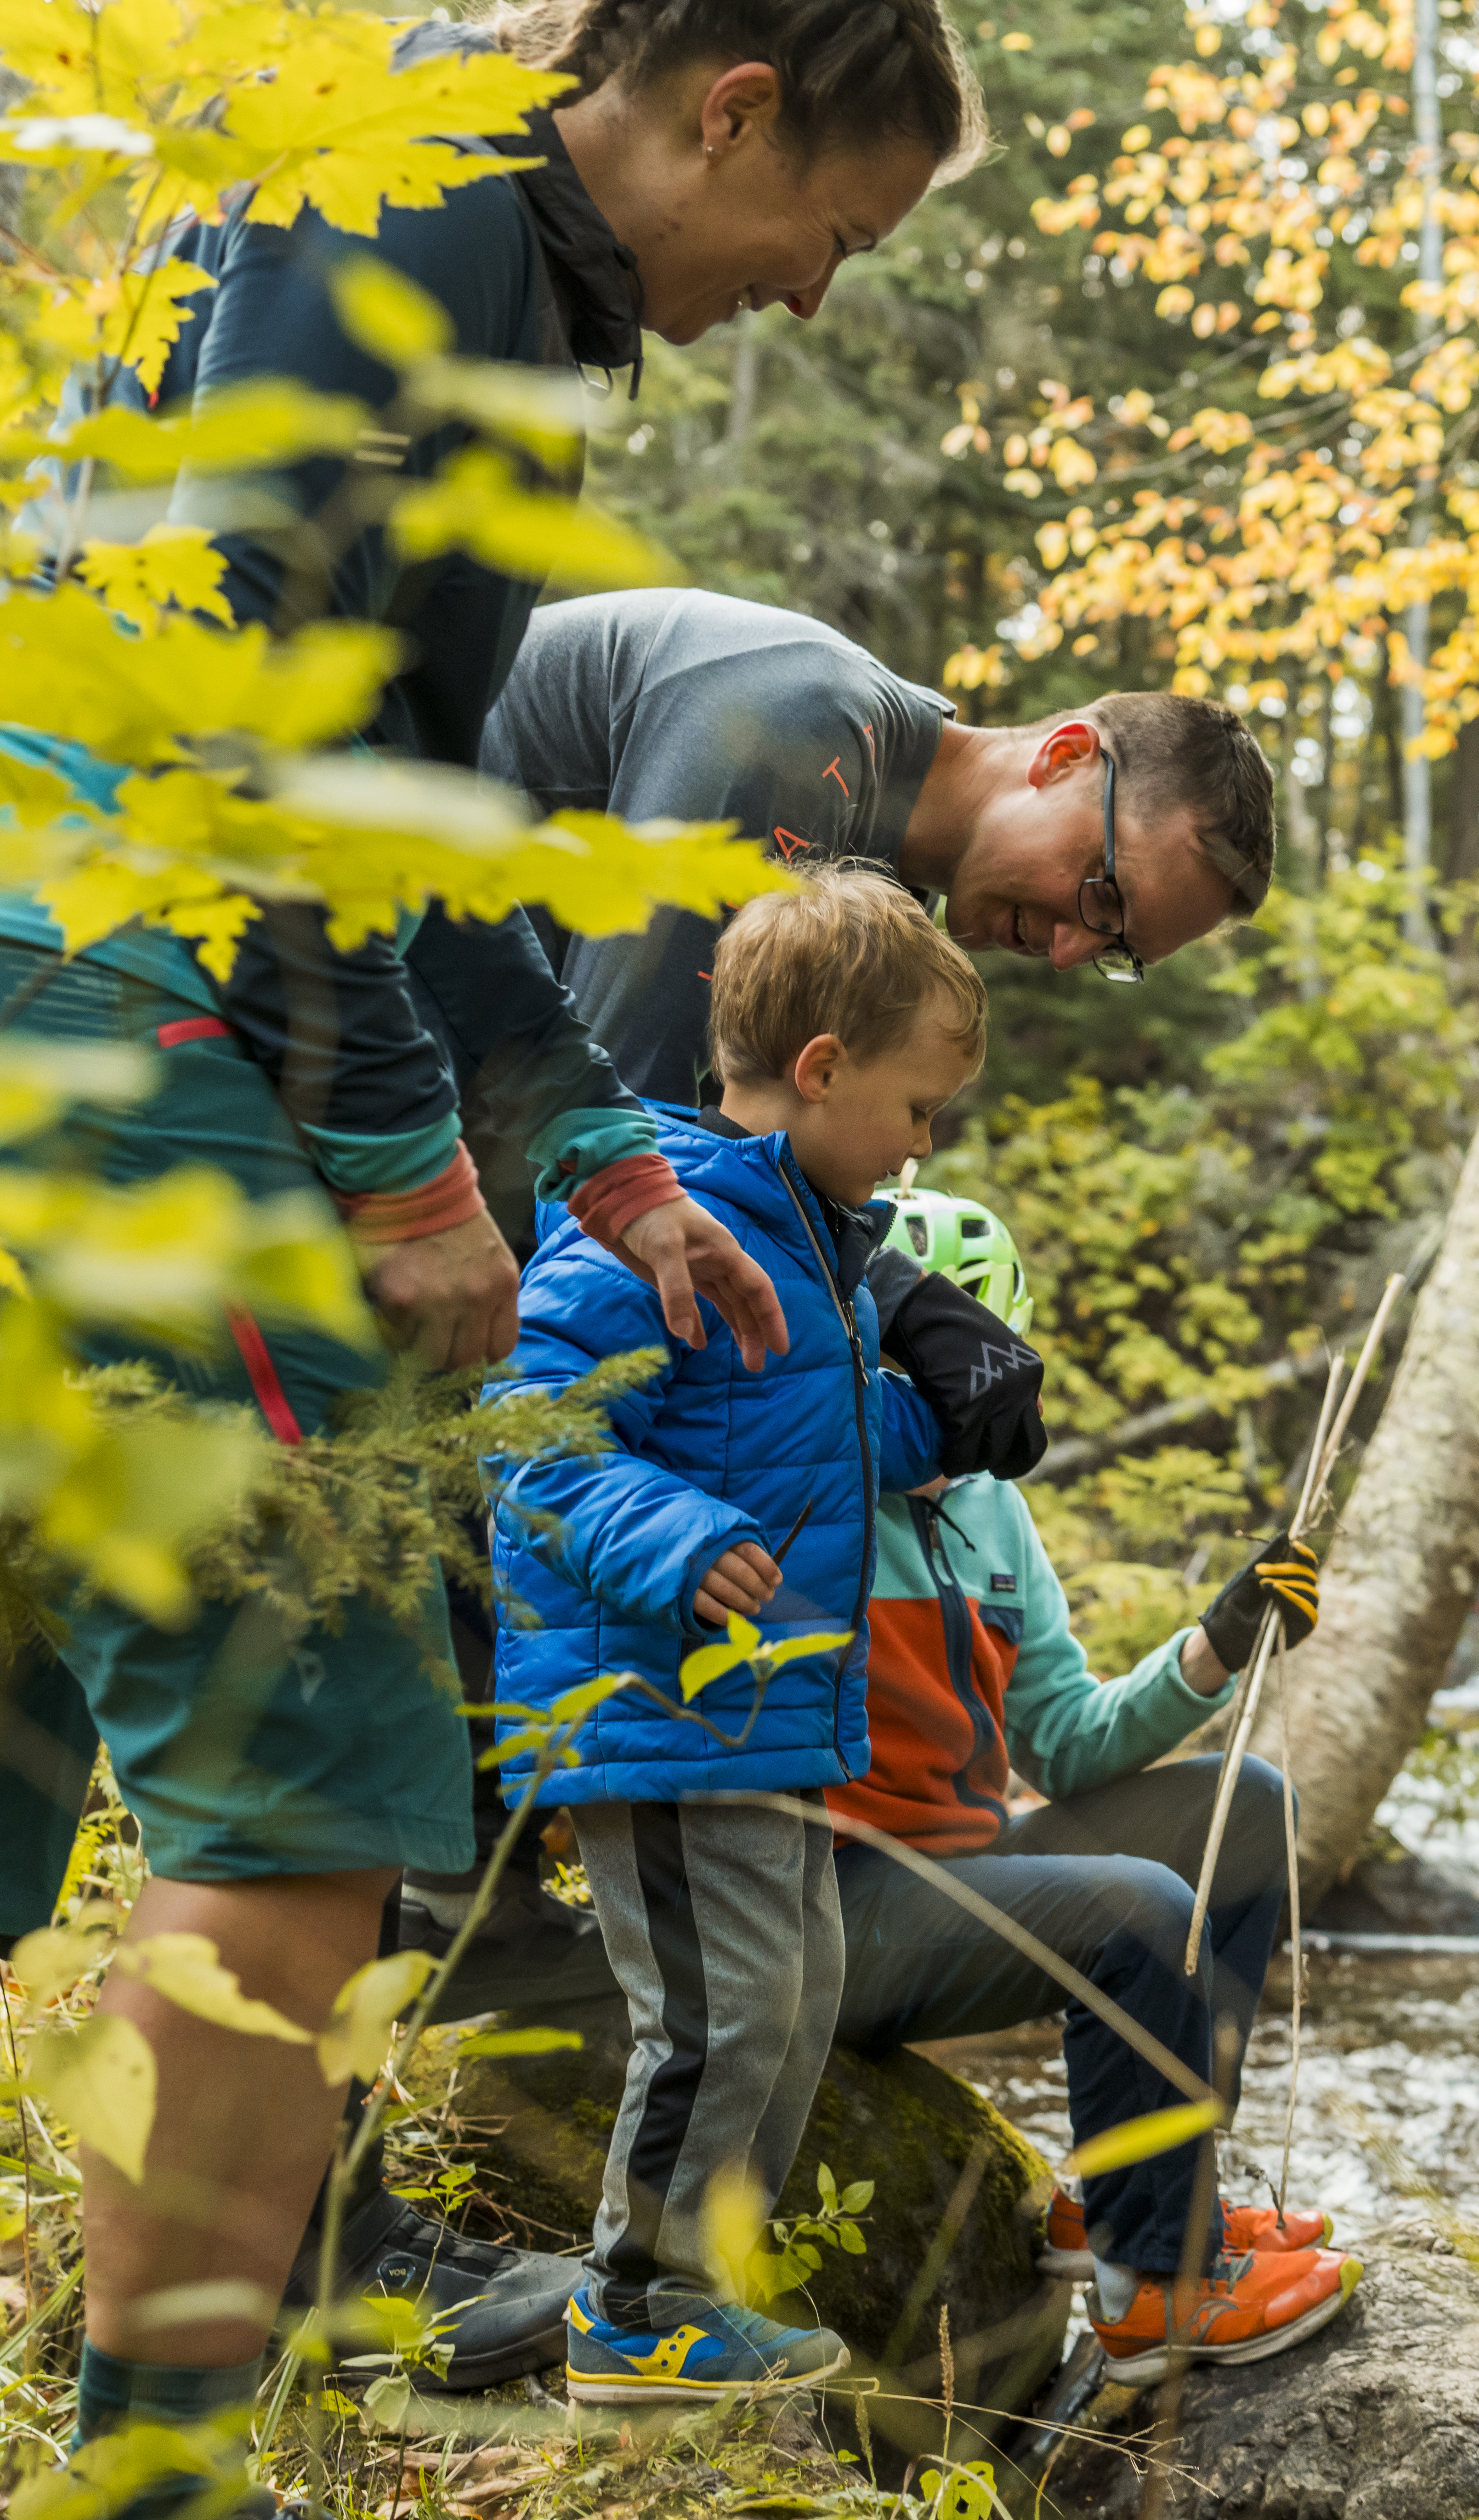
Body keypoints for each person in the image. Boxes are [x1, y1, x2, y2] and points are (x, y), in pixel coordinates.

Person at [0, 0, 991, 2487]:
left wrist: (599, 1157)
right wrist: (410, 1174)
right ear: (733, 110)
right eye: (830, 232)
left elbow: (393, 816)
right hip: (95, 991)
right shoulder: (414, 201)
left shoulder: (434, 228)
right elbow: (243, 725)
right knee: (312, 1797)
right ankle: (160, 2475)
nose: (814, 294)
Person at [483, 869, 1037, 2405]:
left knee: (791, 1993)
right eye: (920, 1108)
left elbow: (807, 1430)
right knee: (715, 2010)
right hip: (653, 1709)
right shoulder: (649, 1223)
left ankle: (696, 2286)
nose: (927, 1145)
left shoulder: (808, 1244)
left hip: (773, 1711)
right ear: (822, 1071)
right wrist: (680, 1537)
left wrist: (948, 1412)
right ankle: (630, 2302)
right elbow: (533, 1431)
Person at [831, 1189, 1357, 2384]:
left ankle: (1134, 2197)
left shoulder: (995, 1514)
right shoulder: (807, 1489)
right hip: (831, 1905)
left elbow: (1063, 1741)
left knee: (1247, 1808)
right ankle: (1153, 2288)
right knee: (1138, 1908)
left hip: (956, 1871)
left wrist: (1217, 1644)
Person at [478, 590, 1279, 1107]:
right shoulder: (803, 728)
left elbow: (753, 1142)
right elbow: (612, 1115)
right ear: (1063, 758)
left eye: (1116, 950)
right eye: (1104, 895)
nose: (1069, 954)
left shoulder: (879, 898)